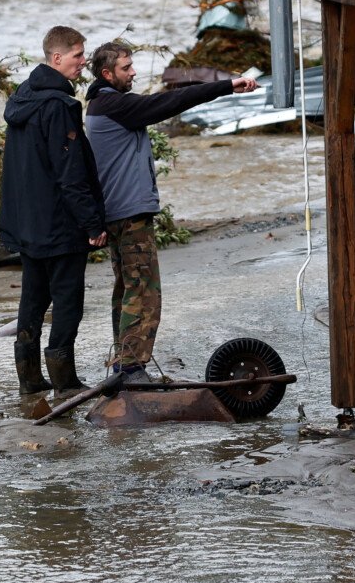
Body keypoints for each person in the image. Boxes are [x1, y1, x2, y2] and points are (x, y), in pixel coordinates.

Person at [84, 40, 256, 379]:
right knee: (144, 289)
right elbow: (170, 101)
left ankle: (123, 363)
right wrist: (225, 87)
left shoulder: (100, 104)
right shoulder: (112, 104)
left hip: (118, 212)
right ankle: (131, 368)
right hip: (129, 214)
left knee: (128, 287)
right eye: (126, 68)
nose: (133, 72)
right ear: (107, 74)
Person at [0, 26, 106, 396]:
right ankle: (64, 378)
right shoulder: (59, 106)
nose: (83, 62)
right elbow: (69, 173)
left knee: (32, 299)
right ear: (56, 58)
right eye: (77, 55)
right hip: (60, 226)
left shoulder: (22, 97)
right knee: (67, 302)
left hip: (28, 224)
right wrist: (92, 223)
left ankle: (28, 377)